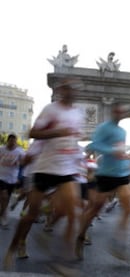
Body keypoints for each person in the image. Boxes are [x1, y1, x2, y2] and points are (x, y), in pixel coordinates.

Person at [3, 79, 83, 270]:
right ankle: (14, 246)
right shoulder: (51, 109)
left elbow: (73, 140)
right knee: (30, 215)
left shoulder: (78, 113)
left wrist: (77, 159)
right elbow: (32, 132)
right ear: (61, 91)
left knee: (72, 213)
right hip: (45, 168)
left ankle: (62, 260)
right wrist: (57, 132)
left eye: (74, 89)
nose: (71, 92)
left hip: (67, 170)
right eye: (67, 88)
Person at [75, 102, 130, 260]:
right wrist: (113, 151)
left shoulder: (122, 131)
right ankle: (80, 237)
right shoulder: (103, 127)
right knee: (94, 209)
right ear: (113, 111)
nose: (120, 114)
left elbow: (120, 150)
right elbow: (95, 145)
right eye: (118, 111)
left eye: (123, 112)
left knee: (128, 208)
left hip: (122, 174)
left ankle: (118, 243)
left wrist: (125, 159)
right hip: (106, 174)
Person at [0, 134, 25, 229]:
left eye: (14, 142)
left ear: (16, 142)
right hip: (1, 177)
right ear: (8, 141)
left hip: (12, 179)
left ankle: (2, 214)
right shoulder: (1, 149)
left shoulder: (20, 152)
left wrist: (18, 163)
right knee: (4, 196)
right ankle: (3, 217)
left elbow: (24, 163)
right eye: (10, 141)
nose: (12, 143)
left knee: (5, 199)